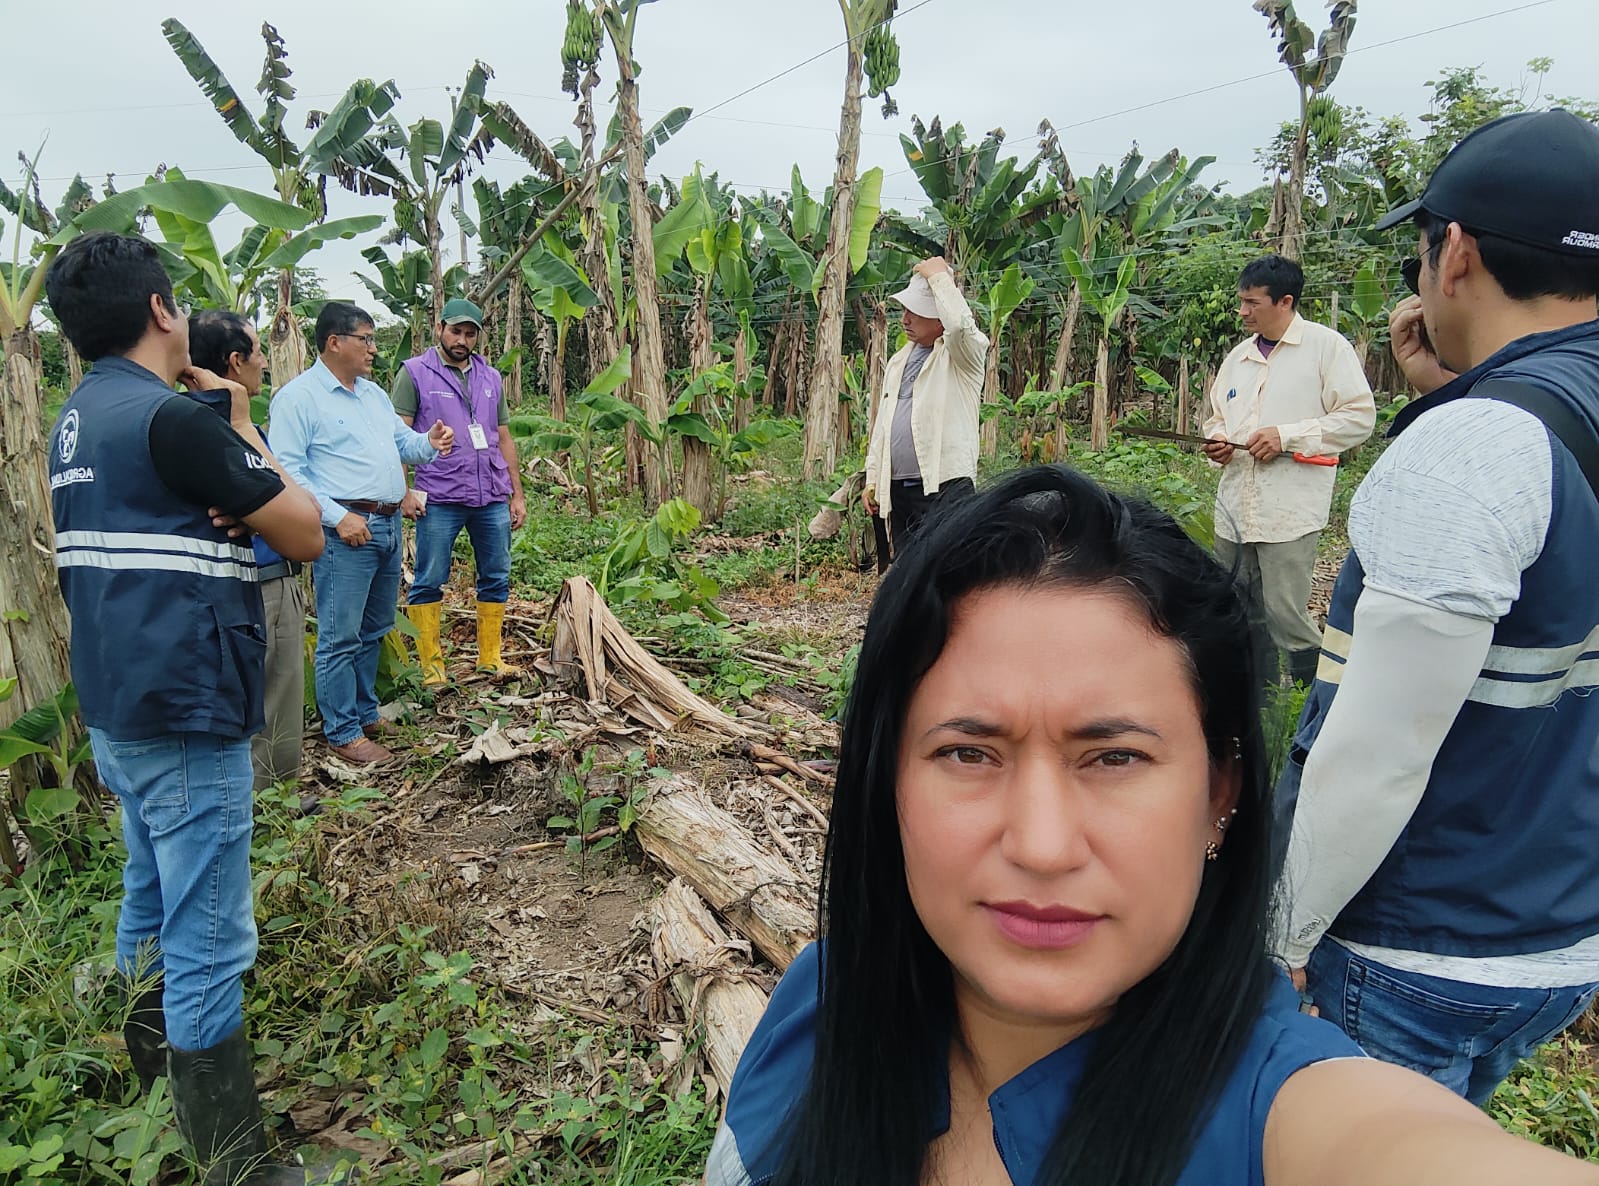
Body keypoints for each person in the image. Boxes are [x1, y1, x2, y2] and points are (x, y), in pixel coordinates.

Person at [708, 466, 1599, 1186]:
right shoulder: (823, 1000)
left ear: (1220, 791)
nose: (1042, 847)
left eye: (1114, 758)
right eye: (968, 753)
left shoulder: (1285, 1113)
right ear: (885, 778)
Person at [1275, 108, 1599, 1106]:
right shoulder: (1532, 420)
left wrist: (1279, 941)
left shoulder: (1478, 445)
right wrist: (1458, 391)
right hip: (1558, 934)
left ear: (1453, 252)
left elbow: (1380, 751)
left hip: (1417, 949)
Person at [44, 232, 329, 1184]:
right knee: (209, 930)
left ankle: (148, 1067)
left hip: (118, 701)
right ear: (162, 309)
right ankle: (235, 1160)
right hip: (185, 701)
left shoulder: (77, 418)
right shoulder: (175, 421)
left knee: (149, 888)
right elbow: (303, 529)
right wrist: (241, 429)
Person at [269, 304, 454, 765]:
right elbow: (288, 471)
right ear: (335, 342)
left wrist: (429, 443)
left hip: (387, 525)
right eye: (365, 339)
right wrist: (337, 517)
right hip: (346, 533)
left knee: (374, 630)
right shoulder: (299, 398)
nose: (373, 348)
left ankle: (365, 712)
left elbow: (401, 444)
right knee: (340, 635)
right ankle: (343, 731)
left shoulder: (372, 394)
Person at [1201, 255, 1374, 687]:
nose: (1242, 311)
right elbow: (1217, 417)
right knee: (1236, 604)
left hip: (1289, 510)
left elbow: (1358, 418)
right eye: (1241, 301)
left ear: (1285, 302)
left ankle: (1310, 698)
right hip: (1235, 507)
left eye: (1252, 302)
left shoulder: (1326, 349)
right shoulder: (1238, 358)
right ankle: (1254, 695)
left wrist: (1287, 436)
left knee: (1286, 612)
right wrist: (1218, 440)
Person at [189, 311, 308, 791]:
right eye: (258, 352)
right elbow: (297, 511)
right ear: (235, 361)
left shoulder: (176, 421)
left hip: (225, 586)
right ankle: (268, 804)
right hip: (260, 580)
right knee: (273, 694)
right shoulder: (229, 429)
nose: (265, 362)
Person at [390, 298, 527, 684]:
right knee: (429, 577)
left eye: (470, 333)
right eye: (455, 331)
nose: (462, 340)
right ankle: (431, 666)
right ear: (440, 329)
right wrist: (403, 491)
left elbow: (503, 436)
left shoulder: (491, 377)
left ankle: (490, 657)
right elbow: (397, 436)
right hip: (440, 494)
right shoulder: (415, 373)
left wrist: (517, 495)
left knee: (496, 574)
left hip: (491, 495)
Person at [862, 256, 987, 556]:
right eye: (905, 311)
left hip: (944, 486)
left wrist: (939, 278)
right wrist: (873, 478)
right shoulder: (898, 361)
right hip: (899, 490)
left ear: (939, 317)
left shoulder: (961, 357)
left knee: (949, 567)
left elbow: (960, 327)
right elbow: (884, 424)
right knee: (907, 569)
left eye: (915, 312)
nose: (905, 320)